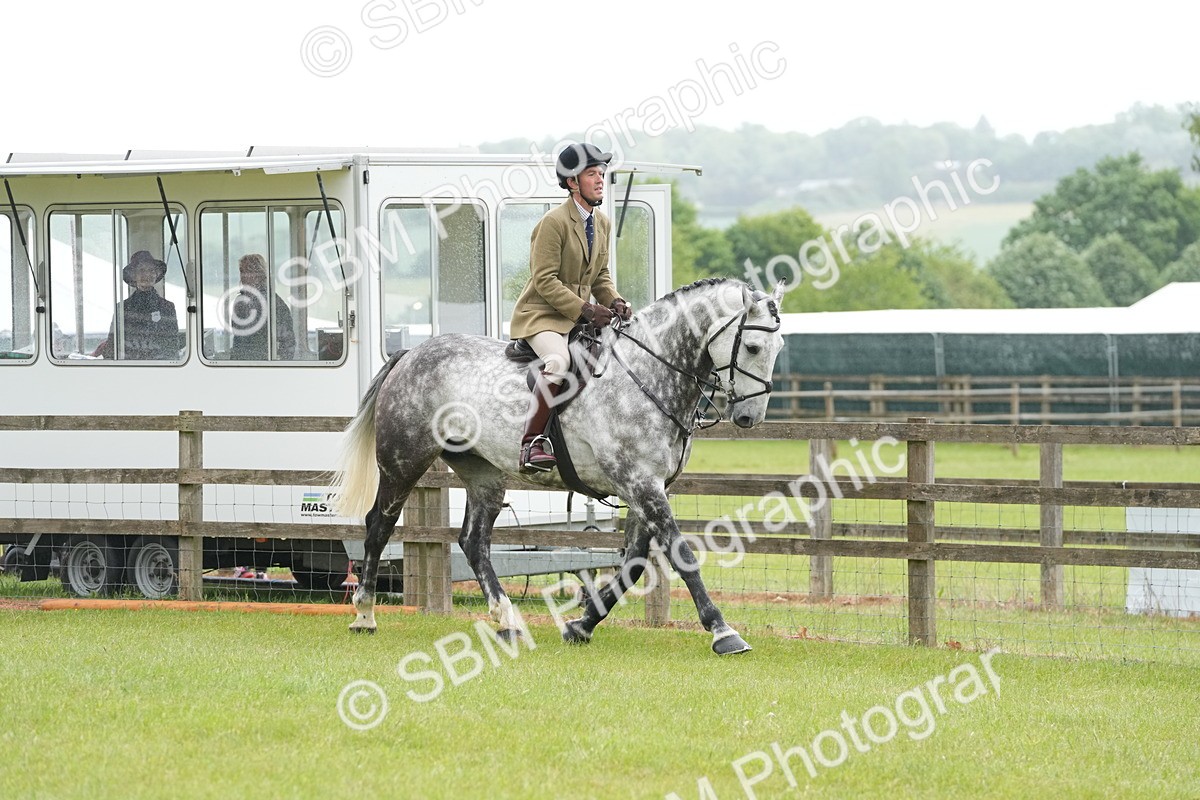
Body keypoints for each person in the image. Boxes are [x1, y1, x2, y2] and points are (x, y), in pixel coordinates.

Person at [508, 142, 633, 473]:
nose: (599, 180)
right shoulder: (553, 222)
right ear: (572, 182)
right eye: (592, 174)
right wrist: (588, 311)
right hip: (542, 316)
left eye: (602, 174)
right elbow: (545, 280)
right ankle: (532, 443)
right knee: (559, 360)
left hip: (576, 316)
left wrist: (615, 302)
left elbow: (601, 277)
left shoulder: (601, 222)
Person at [93, 250, 180, 360]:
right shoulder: (122, 308)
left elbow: (172, 348)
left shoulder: (167, 307)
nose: (147, 275)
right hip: (129, 369)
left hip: (159, 369)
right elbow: (112, 347)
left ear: (156, 274)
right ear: (133, 276)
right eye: (142, 271)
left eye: (151, 270)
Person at [229, 253, 296, 360]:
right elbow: (238, 338)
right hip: (240, 364)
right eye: (242, 271)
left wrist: (281, 368)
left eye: (249, 271)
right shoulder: (240, 302)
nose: (244, 276)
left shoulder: (274, 303)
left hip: (264, 365)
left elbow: (288, 342)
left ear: (259, 274)